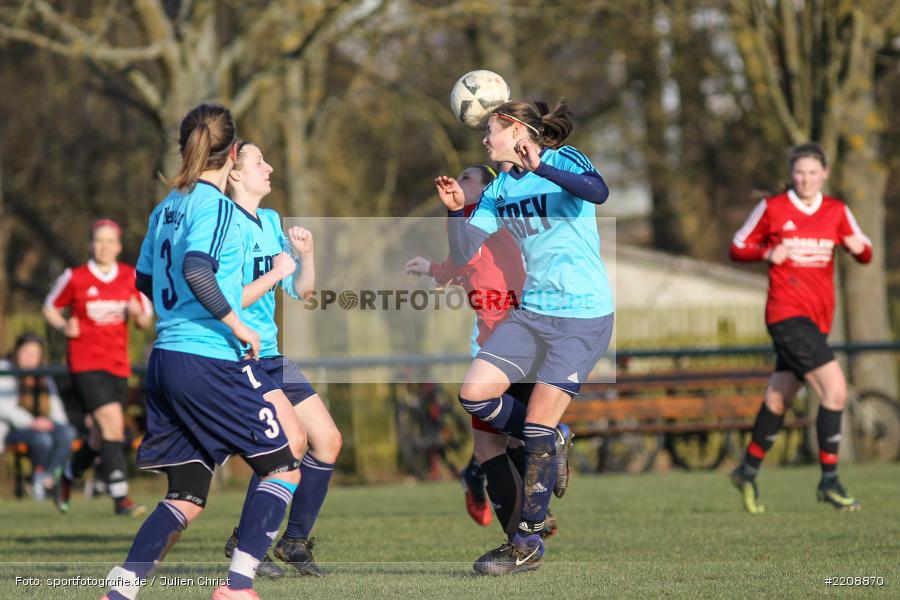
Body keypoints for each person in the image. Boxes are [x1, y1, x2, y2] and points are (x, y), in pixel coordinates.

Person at [102, 103, 303, 600]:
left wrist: (176, 318)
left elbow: (144, 278)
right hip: (208, 358)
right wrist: (235, 323)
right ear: (232, 153)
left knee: (188, 494)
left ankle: (121, 589)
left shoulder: (166, 205)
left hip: (165, 360)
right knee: (282, 465)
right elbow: (197, 270)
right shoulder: (213, 205)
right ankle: (237, 586)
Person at [440, 100, 613, 575]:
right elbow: (464, 252)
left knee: (532, 429)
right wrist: (456, 213)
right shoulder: (497, 190)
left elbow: (598, 192)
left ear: (515, 130)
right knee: (474, 394)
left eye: (491, 131)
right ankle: (551, 438)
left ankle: (527, 542)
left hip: (581, 317)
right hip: (532, 314)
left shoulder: (563, 159)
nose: (484, 140)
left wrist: (543, 168)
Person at [406, 165, 568, 539]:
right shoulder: (492, 222)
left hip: (504, 342)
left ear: (486, 186)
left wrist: (452, 215)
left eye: (467, 178)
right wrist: (433, 269)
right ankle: (530, 523)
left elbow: (464, 259)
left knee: (490, 445)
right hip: (522, 338)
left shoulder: (480, 220)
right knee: (504, 441)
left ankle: (522, 535)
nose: (457, 182)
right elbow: (465, 265)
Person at [729, 142, 872, 513]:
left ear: (824, 173)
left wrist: (858, 247)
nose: (806, 179)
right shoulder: (773, 208)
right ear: (791, 174)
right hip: (785, 314)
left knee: (780, 397)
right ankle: (829, 480)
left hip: (817, 321)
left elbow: (866, 251)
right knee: (835, 390)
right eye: (799, 172)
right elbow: (737, 245)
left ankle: (747, 469)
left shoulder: (836, 211)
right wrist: (764, 253)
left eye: (812, 172)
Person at [221, 141, 341, 578]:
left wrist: (306, 257)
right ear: (234, 174)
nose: (269, 167)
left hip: (269, 353)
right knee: (288, 447)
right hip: (235, 355)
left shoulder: (270, 221)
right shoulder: (222, 223)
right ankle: (245, 541)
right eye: (258, 162)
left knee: (327, 441)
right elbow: (226, 299)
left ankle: (293, 543)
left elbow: (301, 292)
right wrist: (276, 272)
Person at [44, 219, 153, 517]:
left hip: (117, 364)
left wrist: (137, 315)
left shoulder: (131, 277)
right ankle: (120, 496)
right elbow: (50, 306)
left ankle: (68, 475)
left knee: (99, 436)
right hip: (84, 362)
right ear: (91, 244)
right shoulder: (75, 277)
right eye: (98, 240)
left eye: (110, 241)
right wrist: (64, 324)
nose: (104, 246)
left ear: (118, 246)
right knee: (113, 423)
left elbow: (145, 319)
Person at [0, 333, 76, 501]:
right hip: (13, 427)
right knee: (42, 440)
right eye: (26, 352)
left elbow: (55, 405)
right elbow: (3, 407)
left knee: (68, 433)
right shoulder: (4, 369)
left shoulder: (43, 374)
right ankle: (40, 481)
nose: (30, 358)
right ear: (16, 352)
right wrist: (31, 422)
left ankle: (46, 479)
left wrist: (58, 425)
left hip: (43, 424)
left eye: (35, 354)